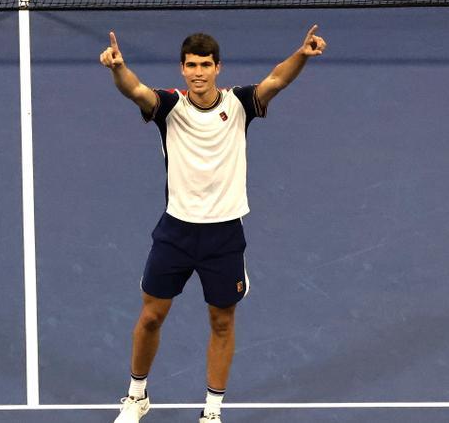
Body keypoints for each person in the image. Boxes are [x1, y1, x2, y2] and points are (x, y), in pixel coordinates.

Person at [100, 26, 326, 423]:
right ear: (182, 69)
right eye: (191, 65)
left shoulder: (239, 104)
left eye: (206, 65)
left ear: (218, 68)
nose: (198, 72)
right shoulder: (169, 107)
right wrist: (118, 68)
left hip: (224, 235)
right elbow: (135, 90)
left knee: (222, 321)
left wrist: (302, 55)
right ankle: (137, 396)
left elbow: (277, 79)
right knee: (151, 315)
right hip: (176, 232)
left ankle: (212, 411)